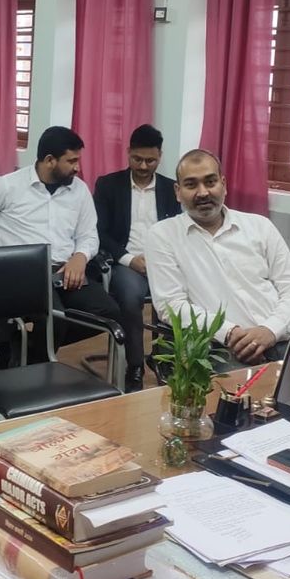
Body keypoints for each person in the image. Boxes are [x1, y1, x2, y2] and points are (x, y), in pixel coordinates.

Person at [0, 126, 120, 360]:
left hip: (63, 271)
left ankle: (27, 350)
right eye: (71, 161)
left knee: (108, 312)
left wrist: (80, 257)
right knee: (54, 318)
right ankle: (37, 363)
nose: (77, 167)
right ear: (49, 160)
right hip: (20, 272)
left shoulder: (79, 190)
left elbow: (89, 234)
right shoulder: (8, 185)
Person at [145, 150, 290, 363]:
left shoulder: (260, 226)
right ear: (178, 191)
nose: (202, 192)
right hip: (220, 350)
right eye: (191, 185)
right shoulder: (162, 236)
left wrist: (270, 330)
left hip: (281, 340)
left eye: (210, 182)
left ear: (223, 184)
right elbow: (172, 306)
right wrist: (229, 332)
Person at [93, 125, 181, 390]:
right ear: (128, 152)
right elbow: (99, 232)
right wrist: (129, 259)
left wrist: (161, 259)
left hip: (163, 262)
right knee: (130, 298)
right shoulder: (108, 185)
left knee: (177, 298)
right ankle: (135, 366)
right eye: (137, 159)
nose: (143, 166)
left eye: (150, 160)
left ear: (160, 156)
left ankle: (163, 358)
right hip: (126, 262)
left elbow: (179, 230)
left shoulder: (170, 189)